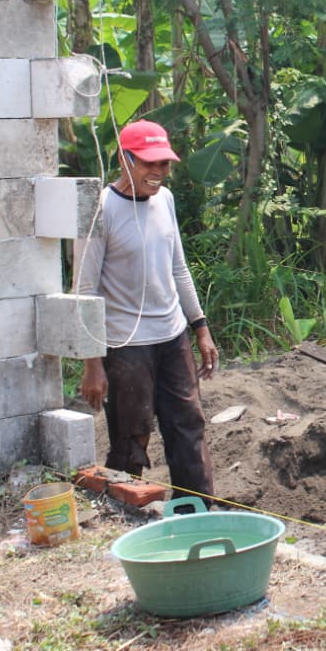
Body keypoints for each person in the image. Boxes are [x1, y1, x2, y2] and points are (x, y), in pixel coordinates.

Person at [78, 119, 218, 499]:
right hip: (126, 342)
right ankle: (127, 509)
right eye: (148, 164)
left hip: (172, 336)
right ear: (124, 160)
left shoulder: (165, 201)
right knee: (132, 432)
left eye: (164, 164)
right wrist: (93, 363)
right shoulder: (99, 210)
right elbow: (85, 289)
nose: (157, 172)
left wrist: (200, 327)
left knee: (188, 424)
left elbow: (178, 268)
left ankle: (197, 508)